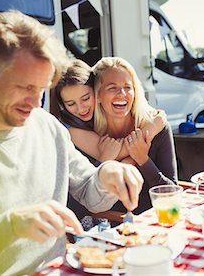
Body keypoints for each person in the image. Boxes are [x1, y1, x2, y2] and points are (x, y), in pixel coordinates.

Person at [0, 10, 143, 275]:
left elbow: (92, 194)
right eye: (24, 87)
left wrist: (107, 173)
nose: (36, 101)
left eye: (42, 88)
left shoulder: (48, 127)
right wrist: (9, 227)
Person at [54, 60, 167, 226]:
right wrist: (149, 132)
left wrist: (140, 157)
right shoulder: (74, 131)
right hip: (95, 222)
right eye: (71, 104)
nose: (81, 108)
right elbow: (80, 202)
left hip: (145, 220)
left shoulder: (152, 124)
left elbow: (171, 190)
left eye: (85, 98)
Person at [92, 57, 178, 214]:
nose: (122, 94)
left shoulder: (157, 128)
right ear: (97, 96)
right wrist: (103, 162)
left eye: (127, 87)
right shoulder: (91, 136)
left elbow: (171, 192)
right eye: (112, 88)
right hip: (107, 227)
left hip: (153, 224)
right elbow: (86, 197)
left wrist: (143, 161)